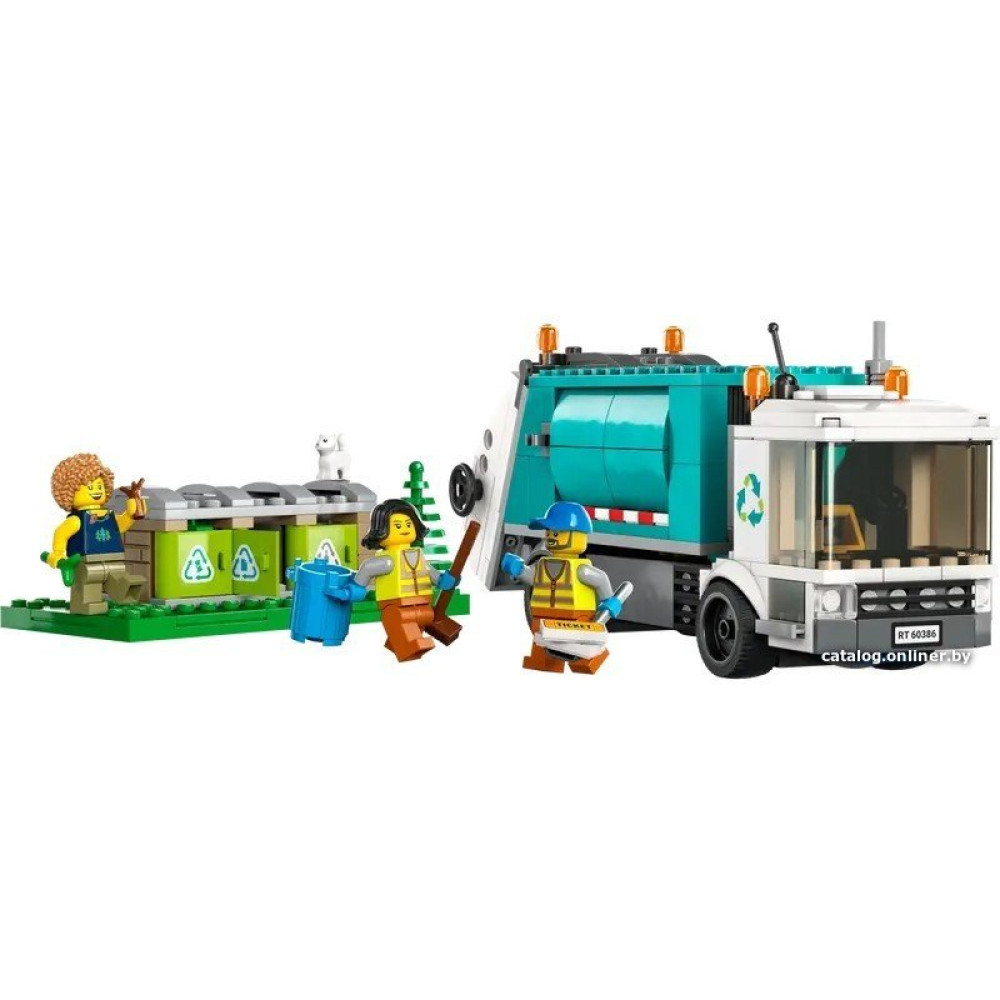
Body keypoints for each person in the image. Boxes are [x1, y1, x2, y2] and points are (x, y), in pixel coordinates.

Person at [501, 501, 626, 673]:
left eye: (556, 533)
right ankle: (544, 663)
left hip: (575, 618)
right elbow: (533, 578)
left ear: (577, 536)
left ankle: (586, 662)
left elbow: (601, 580)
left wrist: (610, 600)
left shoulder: (581, 570)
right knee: (541, 644)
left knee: (579, 650)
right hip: (543, 615)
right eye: (549, 532)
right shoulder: (543, 564)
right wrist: (519, 569)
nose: (550, 537)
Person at [336, 499, 457, 661]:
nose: (405, 529)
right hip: (395, 606)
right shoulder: (387, 560)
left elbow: (431, 573)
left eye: (409, 524)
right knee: (402, 623)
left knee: (420, 622)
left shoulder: (418, 556)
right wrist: (356, 588)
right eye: (398, 526)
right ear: (381, 531)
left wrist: (443, 580)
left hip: (423, 603)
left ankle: (400, 643)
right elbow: (367, 568)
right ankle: (409, 646)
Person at [47, 453, 147, 615]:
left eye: (99, 486)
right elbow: (61, 533)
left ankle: (124, 597)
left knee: (122, 583)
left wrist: (131, 509)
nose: (96, 491)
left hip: (114, 559)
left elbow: (121, 525)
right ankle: (86, 606)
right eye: (90, 487)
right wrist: (58, 555)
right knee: (88, 586)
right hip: (85, 561)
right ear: (69, 492)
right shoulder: (76, 520)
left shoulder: (108, 515)